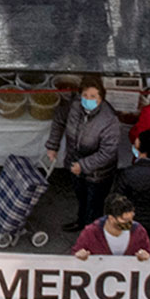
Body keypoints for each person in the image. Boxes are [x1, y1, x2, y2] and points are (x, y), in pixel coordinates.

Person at [46, 78, 122, 232]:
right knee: (82, 198)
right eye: (85, 95)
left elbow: (107, 152)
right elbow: (59, 120)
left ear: (101, 98)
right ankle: (81, 222)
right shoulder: (73, 106)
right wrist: (53, 146)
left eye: (93, 96)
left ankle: (92, 232)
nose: (88, 99)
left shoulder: (109, 120)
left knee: (94, 204)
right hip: (75, 167)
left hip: (98, 175)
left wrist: (84, 165)